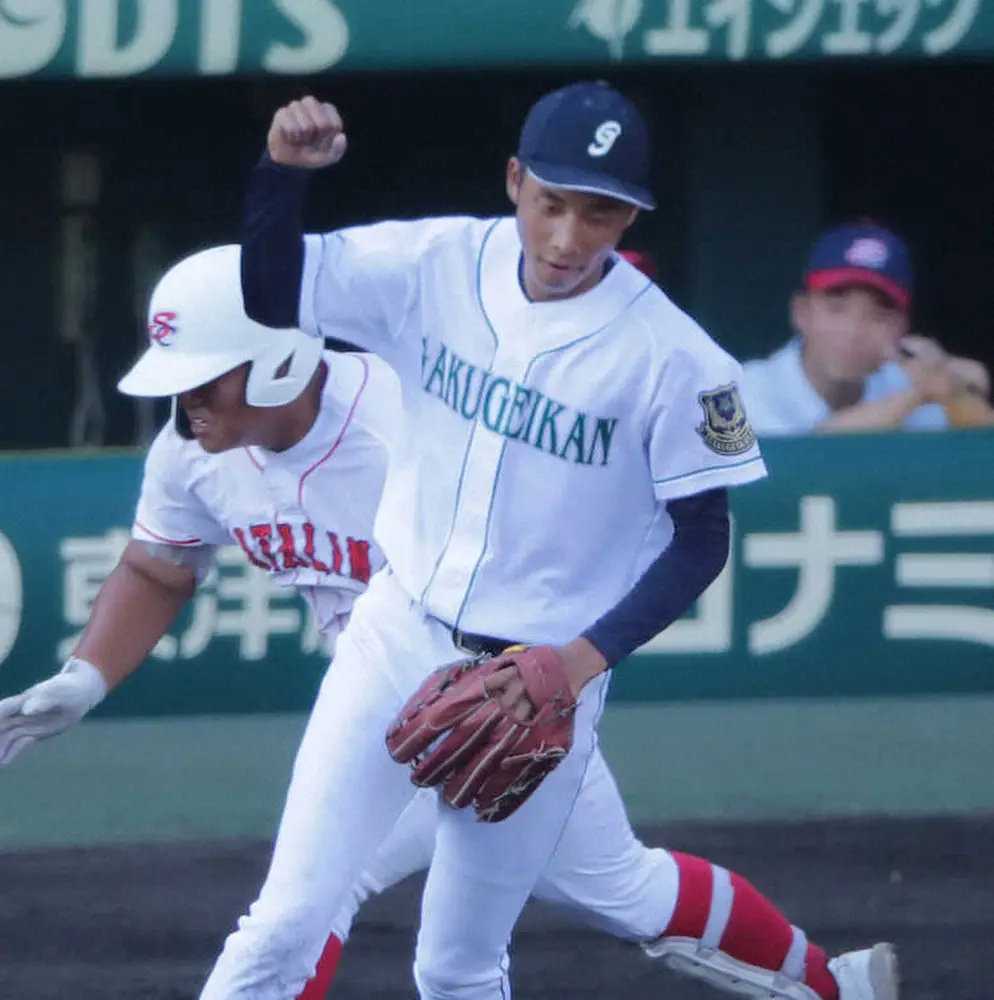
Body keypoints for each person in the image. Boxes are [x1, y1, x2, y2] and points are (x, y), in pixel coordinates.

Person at [0, 243, 895, 1000]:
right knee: (303, 913)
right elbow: (160, 564)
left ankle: (829, 984)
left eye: (201, 380)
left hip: (503, 696)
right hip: (382, 696)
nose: (183, 405)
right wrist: (85, 678)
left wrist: (558, 676)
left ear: (276, 360)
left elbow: (586, 535)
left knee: (597, 896)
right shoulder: (193, 453)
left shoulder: (412, 416)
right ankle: (839, 986)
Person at [186, 80, 899, 1000]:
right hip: (393, 631)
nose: (568, 238)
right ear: (514, 179)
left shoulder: (678, 361)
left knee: (455, 966)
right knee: (285, 918)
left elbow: (701, 543)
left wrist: (578, 663)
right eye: (551, 203)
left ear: (633, 213)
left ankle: (828, 986)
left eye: (600, 214)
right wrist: (282, 173)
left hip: (538, 686)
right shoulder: (435, 262)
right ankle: (831, 986)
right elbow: (273, 288)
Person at [741, 220, 992, 435]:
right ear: (801, 313)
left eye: (878, 316)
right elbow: (809, 457)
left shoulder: (905, 381)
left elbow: (981, 454)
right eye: (836, 309)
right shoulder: (744, 391)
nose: (854, 330)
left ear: (901, 329)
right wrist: (918, 395)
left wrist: (955, 392)